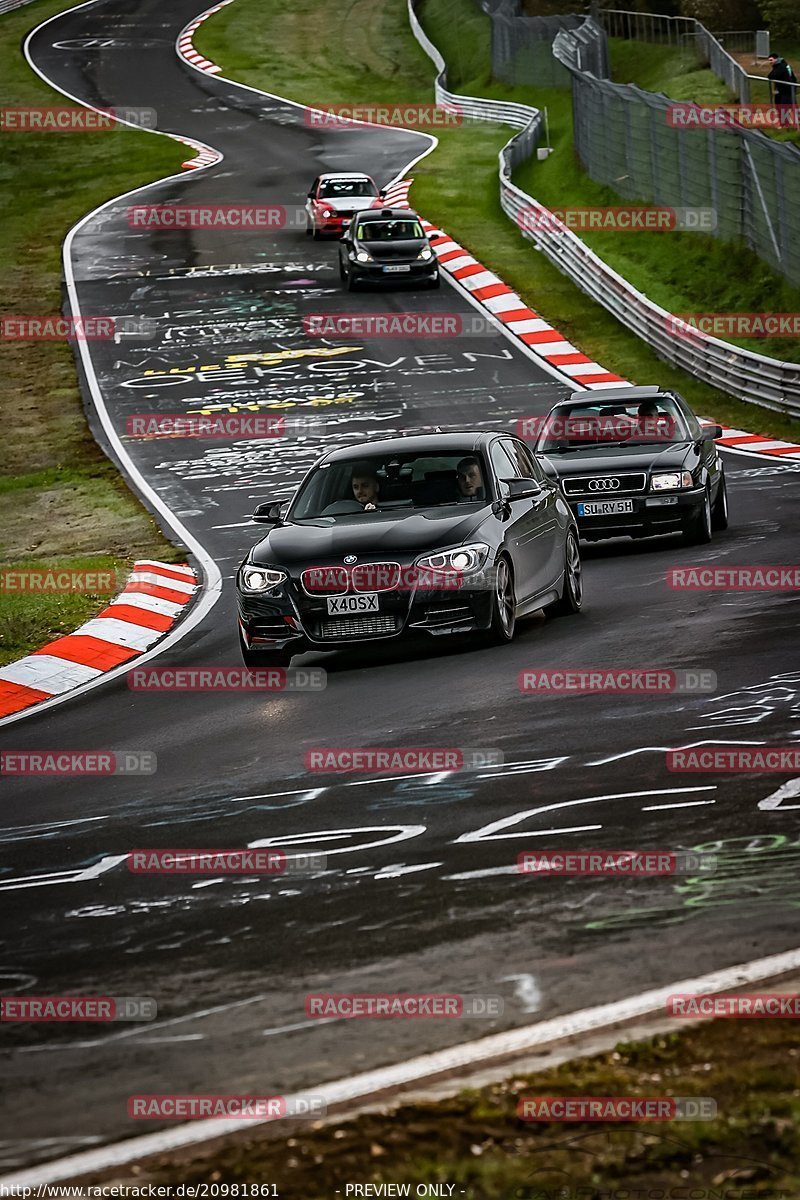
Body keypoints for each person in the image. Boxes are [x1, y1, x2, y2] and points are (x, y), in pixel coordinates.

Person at [767, 53, 798, 123]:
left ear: (776, 59)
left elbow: (772, 76)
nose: (770, 62)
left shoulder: (780, 66)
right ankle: (786, 123)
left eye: (771, 60)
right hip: (786, 90)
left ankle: (786, 124)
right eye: (769, 60)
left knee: (785, 108)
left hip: (786, 91)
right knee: (788, 107)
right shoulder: (783, 65)